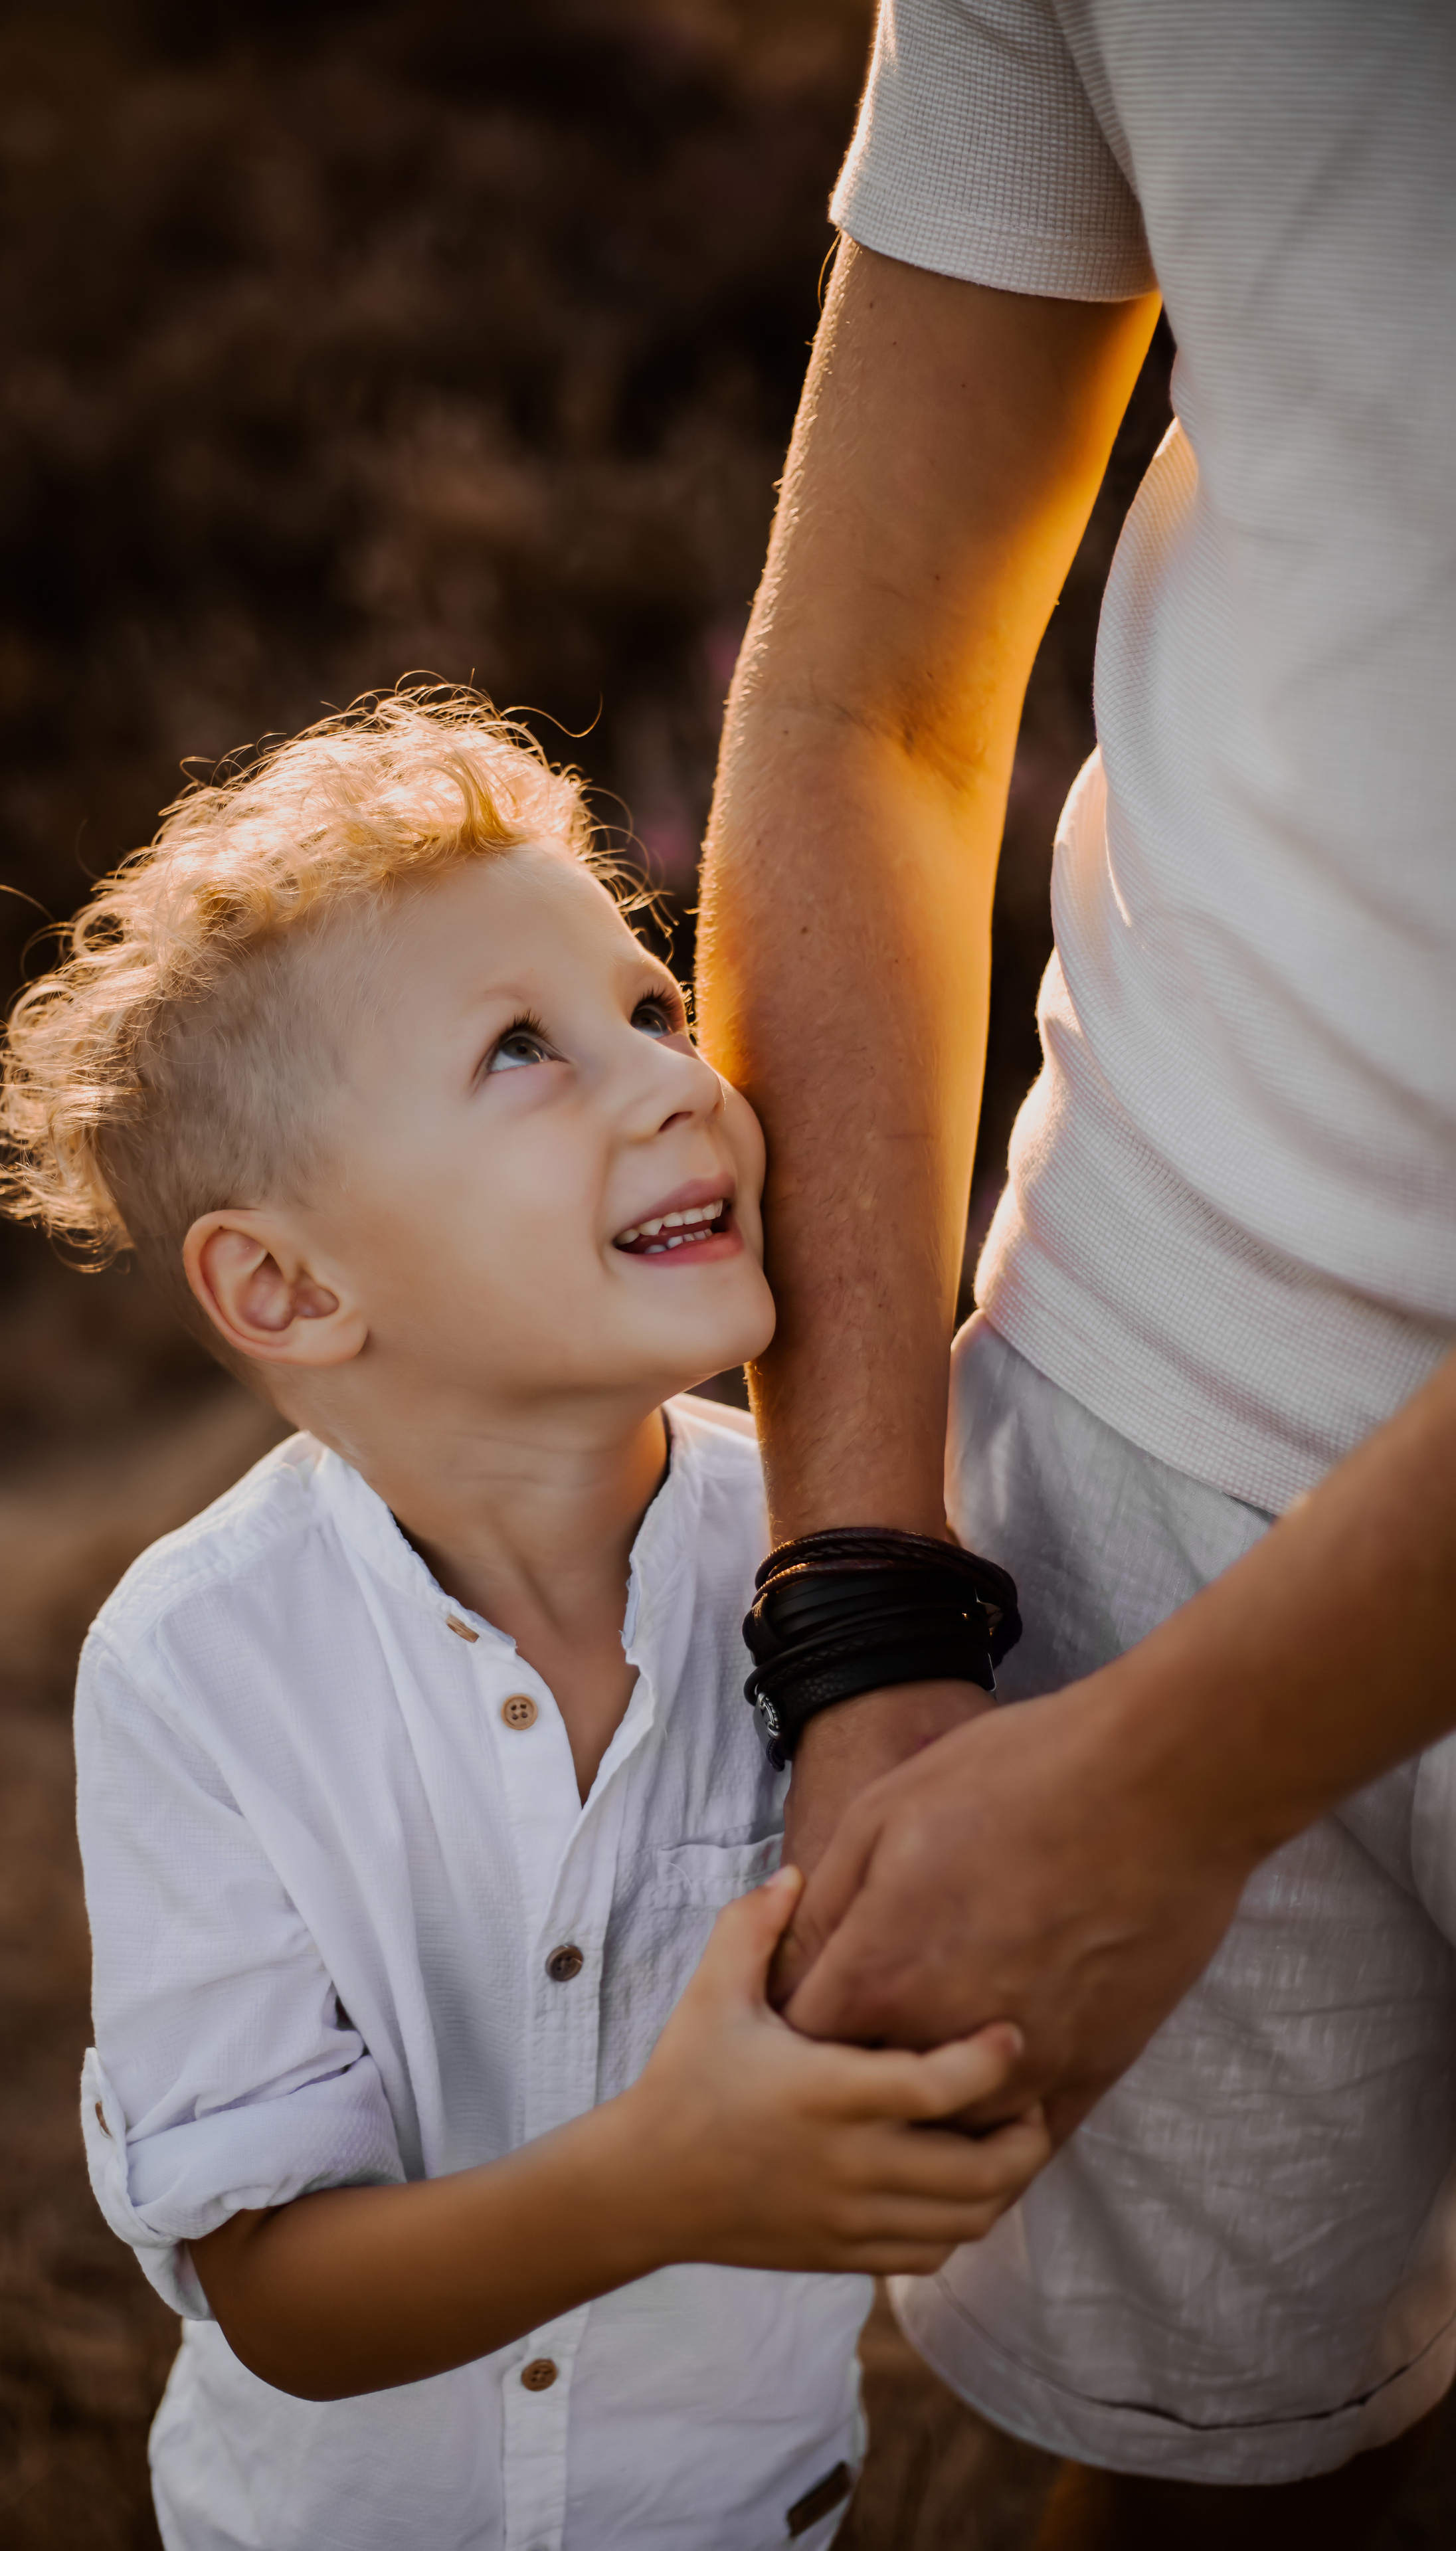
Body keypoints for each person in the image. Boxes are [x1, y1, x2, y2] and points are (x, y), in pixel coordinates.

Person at [0, 692, 1049, 2551]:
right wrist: (668, 2179)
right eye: (522, 1052)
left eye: (650, 1008)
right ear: (289, 1287)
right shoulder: (197, 1669)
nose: (676, 1082)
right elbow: (281, 2299)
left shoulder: (846, 1567)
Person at [697, 2, 1456, 2543]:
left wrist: (1167, 1790)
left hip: (1166, 1709)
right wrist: (871, 1619)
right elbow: (864, 705)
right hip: (1129, 1430)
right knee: (1208, 2495)